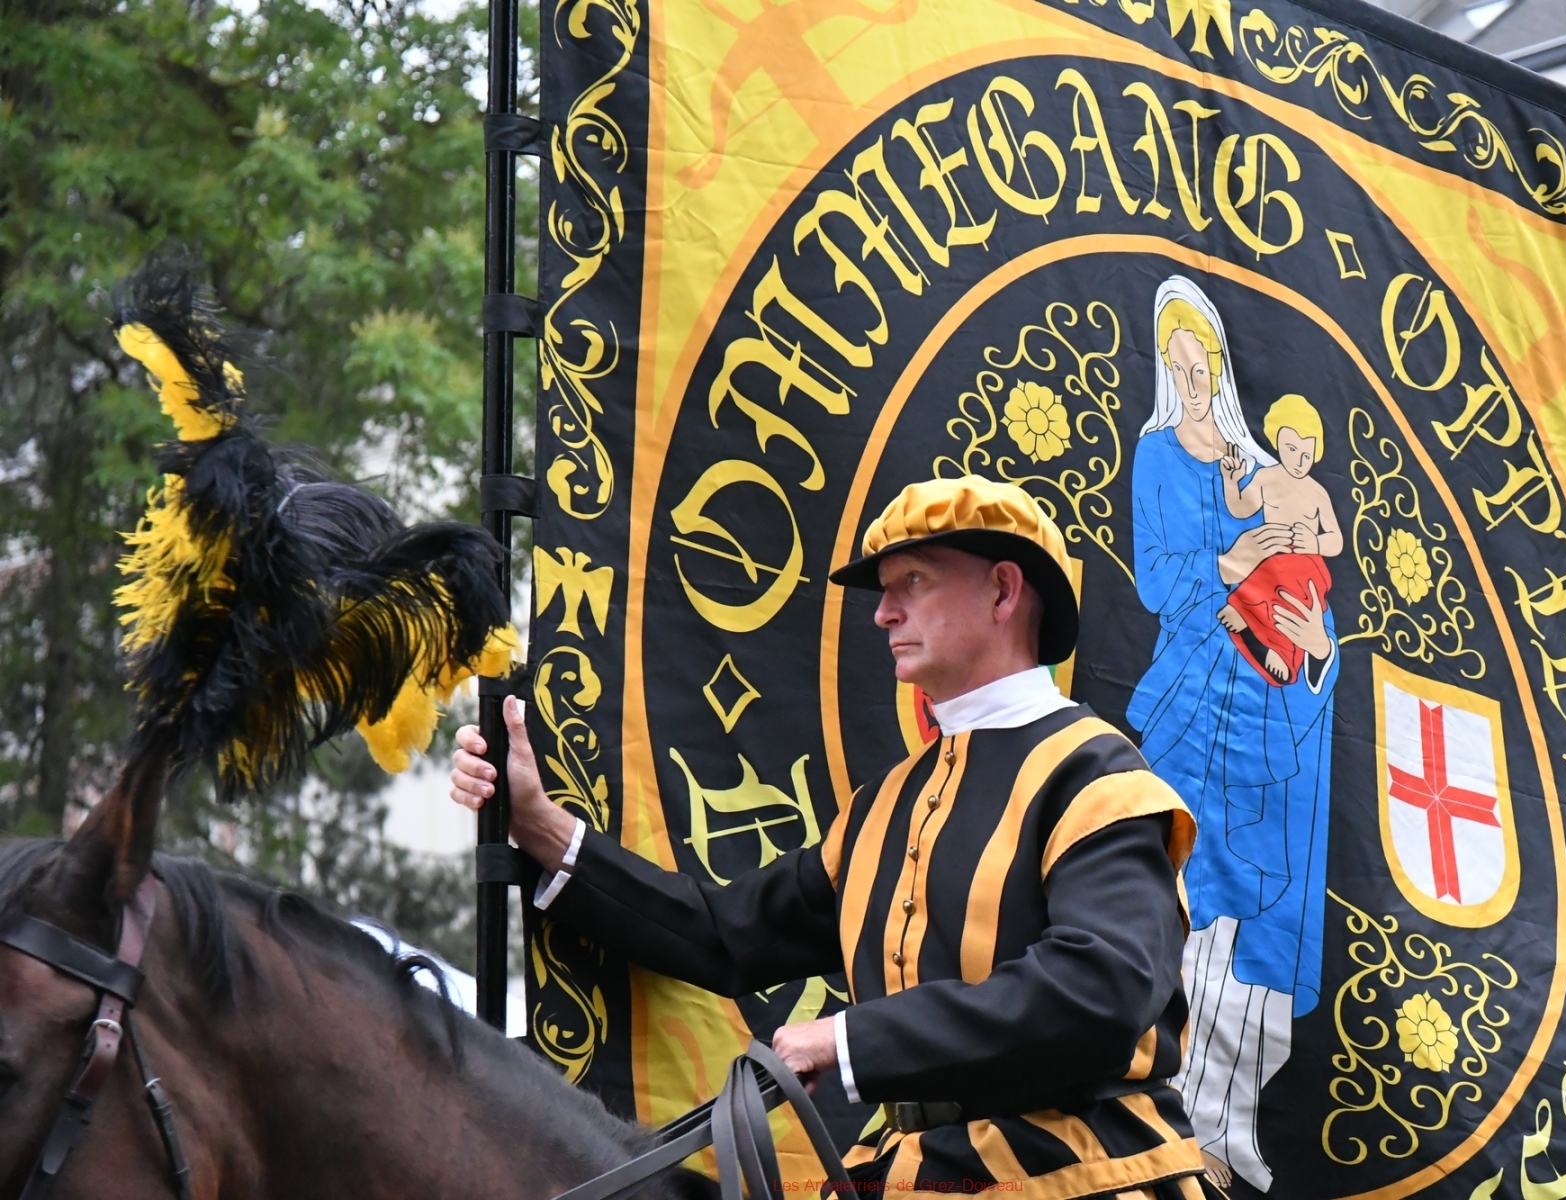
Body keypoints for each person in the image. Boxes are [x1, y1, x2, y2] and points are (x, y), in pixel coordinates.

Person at [450, 475, 1209, 1199]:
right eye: (886, 591)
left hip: (1088, 1179)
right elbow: (724, 936)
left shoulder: (1099, 780)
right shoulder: (883, 808)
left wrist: (846, 1041)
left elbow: (1099, 991)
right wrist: (541, 827)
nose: (884, 614)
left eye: (914, 581)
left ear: (1004, 591)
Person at [1125, 276, 1338, 1193]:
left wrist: (1316, 647)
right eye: (1176, 366)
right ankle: (1176, 1114)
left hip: (1273, 706)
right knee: (1186, 891)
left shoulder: (1258, 464)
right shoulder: (1157, 456)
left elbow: (1312, 582)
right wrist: (1227, 561)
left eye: (1201, 362)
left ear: (1217, 361)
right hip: (1192, 692)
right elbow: (1154, 581)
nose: (1192, 379)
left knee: (1263, 905)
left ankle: (1237, 1122)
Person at [1217, 393, 1342, 687]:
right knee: (1261, 585)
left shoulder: (1317, 492)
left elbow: (1335, 539)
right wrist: (1231, 482)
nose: (1299, 461)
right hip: (1272, 558)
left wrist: (1315, 543)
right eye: (1291, 449)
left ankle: (1284, 654)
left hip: (1307, 566)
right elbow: (1240, 509)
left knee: (1295, 608)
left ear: (1316, 453)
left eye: (1306, 455)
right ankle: (1244, 613)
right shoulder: (1266, 478)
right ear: (1277, 443)